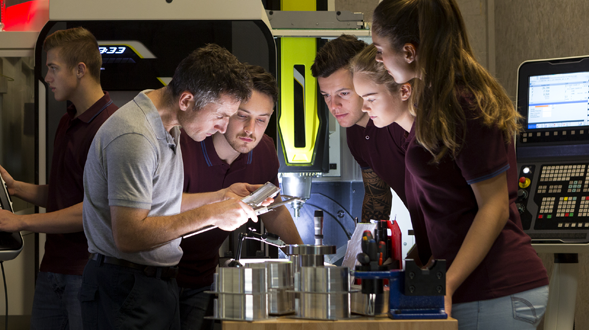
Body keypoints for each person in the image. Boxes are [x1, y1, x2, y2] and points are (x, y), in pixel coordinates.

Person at [371, 0, 549, 328]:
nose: (378, 59)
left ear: (409, 52)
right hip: (473, 289)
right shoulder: (434, 104)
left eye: (379, 49)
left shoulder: (466, 104)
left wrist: (446, 284)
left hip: (495, 288)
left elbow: (493, 208)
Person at [80, 44, 270, 330]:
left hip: (157, 284)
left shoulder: (170, 126)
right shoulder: (135, 136)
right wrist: (213, 215)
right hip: (125, 286)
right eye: (220, 116)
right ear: (186, 100)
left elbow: (161, 202)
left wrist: (222, 196)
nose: (222, 127)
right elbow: (129, 235)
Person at [0, 27, 118, 330]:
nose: (47, 77)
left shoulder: (110, 129)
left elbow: (90, 211)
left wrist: (21, 222)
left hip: (86, 274)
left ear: (80, 70)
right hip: (51, 270)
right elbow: (64, 194)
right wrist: (15, 188)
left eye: (53, 68)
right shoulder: (67, 121)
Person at [177, 64, 304, 330]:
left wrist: (303, 259)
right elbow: (155, 208)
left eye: (261, 119)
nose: (250, 129)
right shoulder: (184, 144)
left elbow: (274, 208)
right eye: (242, 116)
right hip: (155, 277)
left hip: (202, 279)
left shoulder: (265, 151)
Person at [311, 35, 408, 223]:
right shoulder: (355, 133)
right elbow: (376, 195)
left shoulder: (398, 123)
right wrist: (363, 244)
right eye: (326, 95)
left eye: (344, 93)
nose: (333, 106)